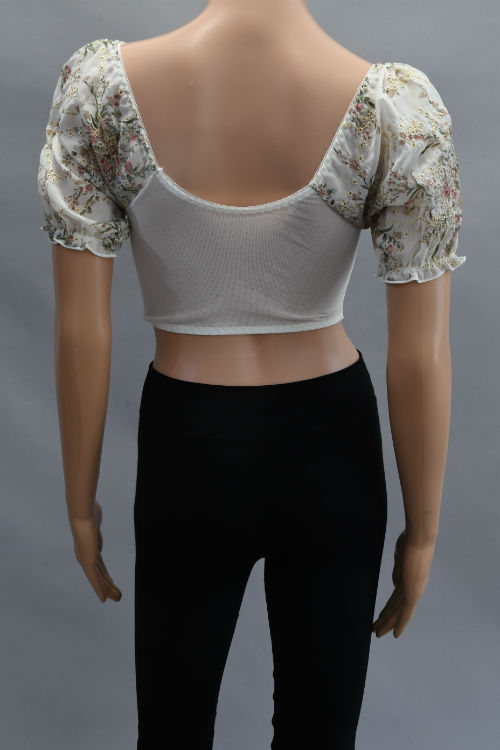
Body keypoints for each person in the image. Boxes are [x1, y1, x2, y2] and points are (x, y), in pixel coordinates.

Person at [36, 0, 466, 747]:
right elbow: (421, 349)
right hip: (332, 451)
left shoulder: (104, 94)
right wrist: (423, 530)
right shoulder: (393, 109)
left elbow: (80, 325)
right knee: (319, 732)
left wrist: (80, 503)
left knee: (170, 729)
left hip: (189, 447)